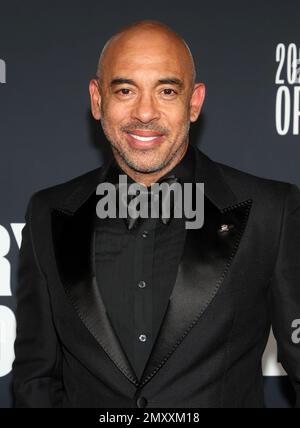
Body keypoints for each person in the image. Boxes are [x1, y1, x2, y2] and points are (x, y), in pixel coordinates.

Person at [12, 19, 300, 408]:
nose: (145, 113)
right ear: (97, 100)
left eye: (166, 90)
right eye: (125, 90)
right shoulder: (48, 213)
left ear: (194, 102)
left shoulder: (272, 212)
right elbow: (36, 378)